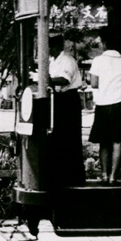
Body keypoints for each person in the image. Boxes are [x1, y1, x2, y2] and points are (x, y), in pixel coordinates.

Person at [88, 28, 121, 185]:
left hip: (103, 104)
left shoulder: (98, 60)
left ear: (104, 44)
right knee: (117, 141)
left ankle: (105, 175)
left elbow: (93, 83)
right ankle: (114, 175)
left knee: (104, 141)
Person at [48, 34, 85, 186]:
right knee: (58, 136)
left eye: (50, 46)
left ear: (57, 47)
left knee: (71, 136)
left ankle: (74, 176)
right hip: (57, 99)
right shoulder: (52, 62)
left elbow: (65, 79)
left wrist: (45, 79)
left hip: (69, 99)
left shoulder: (67, 61)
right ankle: (60, 174)